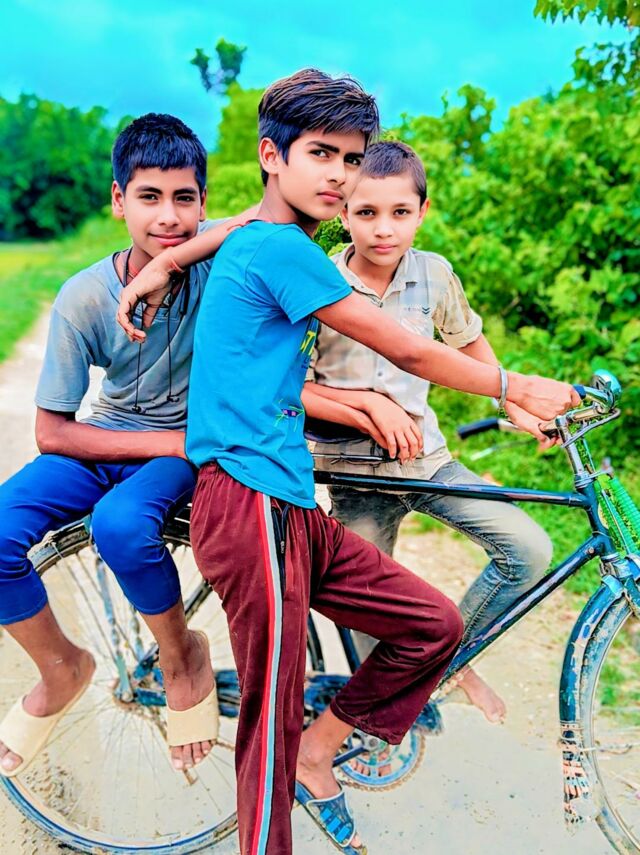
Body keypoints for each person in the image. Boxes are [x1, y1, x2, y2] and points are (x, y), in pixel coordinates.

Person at [117, 70, 580, 855]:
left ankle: (323, 747)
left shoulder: (270, 241)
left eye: (351, 158)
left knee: (431, 625)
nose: (339, 174)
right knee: (271, 719)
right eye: (321, 154)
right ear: (272, 156)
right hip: (250, 502)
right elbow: (405, 348)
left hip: (291, 504)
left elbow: (239, 223)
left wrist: (168, 262)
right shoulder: (282, 250)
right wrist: (515, 386)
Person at [0, 113, 248, 778]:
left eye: (184, 198)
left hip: (180, 453)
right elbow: (52, 432)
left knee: (119, 524)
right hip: (128, 440)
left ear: (203, 202)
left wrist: (170, 262)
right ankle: (62, 667)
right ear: (118, 200)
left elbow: (271, 217)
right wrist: (170, 442)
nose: (168, 215)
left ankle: (181, 654)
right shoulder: (84, 296)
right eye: (149, 196)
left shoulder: (216, 271)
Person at [303, 140, 555, 724]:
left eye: (400, 212)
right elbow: (295, 388)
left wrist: (512, 399)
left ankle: (451, 662)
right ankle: (368, 726)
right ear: (343, 214)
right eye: (367, 212)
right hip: (353, 475)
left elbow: (467, 342)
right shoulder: (319, 283)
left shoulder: (434, 274)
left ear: (423, 211)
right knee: (370, 617)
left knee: (527, 548)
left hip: (427, 461)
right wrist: (365, 409)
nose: (383, 229)